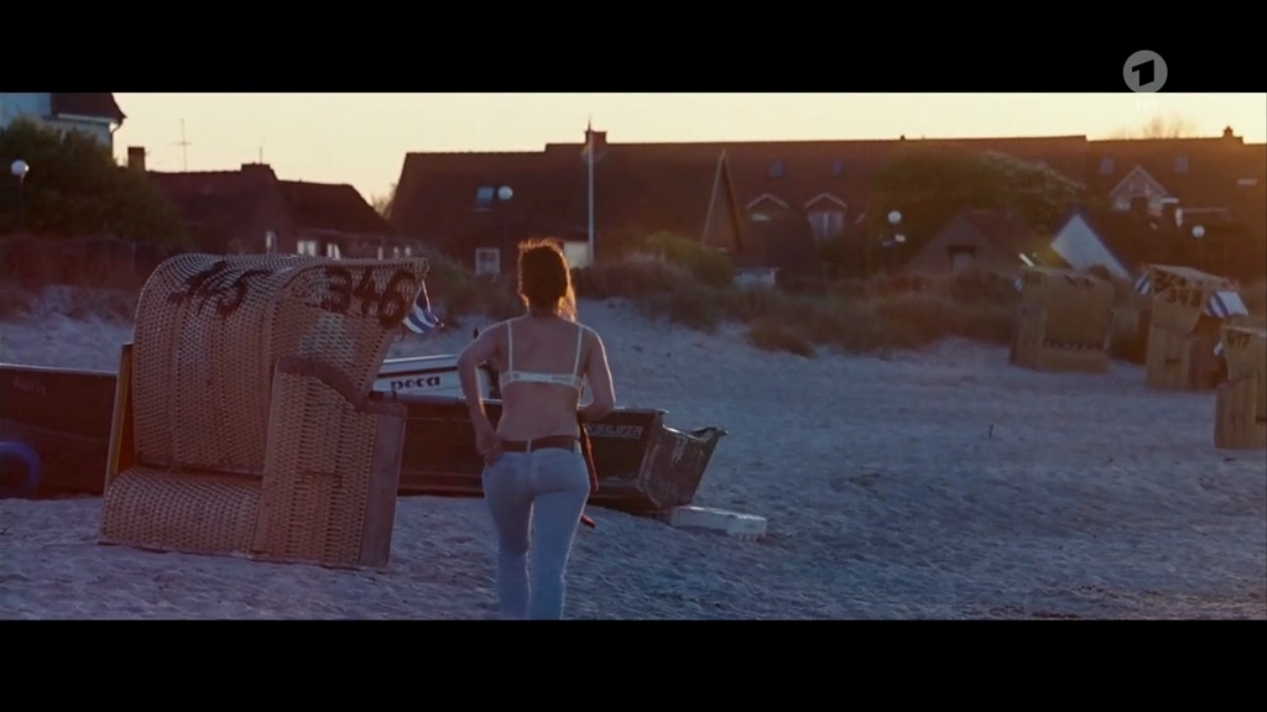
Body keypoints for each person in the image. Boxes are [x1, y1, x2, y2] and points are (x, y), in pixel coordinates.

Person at [456, 239, 616, 620]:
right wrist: (575, 416)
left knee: (512, 554)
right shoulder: (586, 339)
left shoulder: (504, 334)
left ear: (522, 285)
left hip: (507, 457)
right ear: (564, 285)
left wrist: (481, 424)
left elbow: (465, 362)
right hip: (560, 459)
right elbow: (606, 403)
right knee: (550, 569)